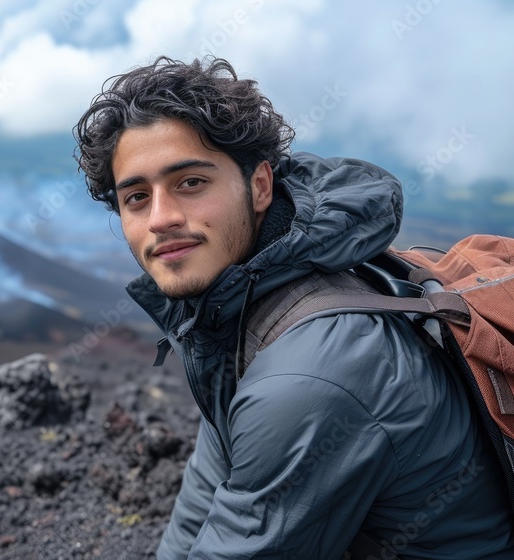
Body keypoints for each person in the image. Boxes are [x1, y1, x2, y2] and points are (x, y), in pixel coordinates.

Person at [73, 56, 513, 558]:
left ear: (259, 186)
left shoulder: (312, 374)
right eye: (135, 197)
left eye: (190, 182)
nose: (162, 218)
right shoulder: (243, 309)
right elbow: (208, 489)